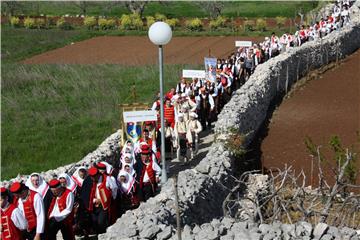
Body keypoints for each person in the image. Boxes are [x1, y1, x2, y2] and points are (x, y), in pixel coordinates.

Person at [79, 167, 116, 234]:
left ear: (98, 175)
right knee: (94, 221)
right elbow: (85, 193)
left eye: (94, 177)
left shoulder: (106, 179)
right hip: (93, 205)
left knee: (101, 221)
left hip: (103, 204)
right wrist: (93, 200)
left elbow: (114, 188)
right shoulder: (88, 180)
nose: (93, 179)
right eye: (91, 177)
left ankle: (104, 234)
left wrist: (112, 198)